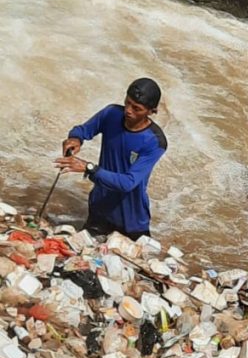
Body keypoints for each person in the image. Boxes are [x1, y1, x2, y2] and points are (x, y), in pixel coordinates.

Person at [55, 78, 167, 240]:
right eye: (127, 103)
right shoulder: (111, 114)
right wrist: (76, 138)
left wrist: (88, 167)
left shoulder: (155, 142)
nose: (128, 110)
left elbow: (128, 183)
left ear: (151, 111)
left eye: (137, 109)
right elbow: (83, 130)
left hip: (131, 221)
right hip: (99, 211)